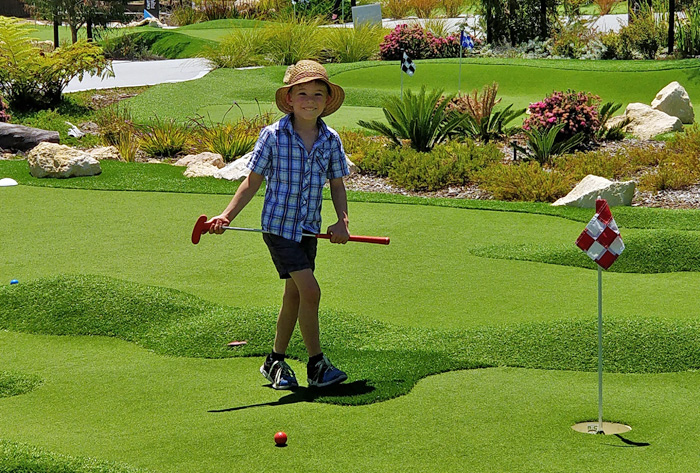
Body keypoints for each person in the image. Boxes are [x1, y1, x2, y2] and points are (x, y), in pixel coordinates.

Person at [207, 60, 350, 390]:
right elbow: (252, 182)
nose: (309, 100)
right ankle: (317, 365)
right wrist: (227, 215)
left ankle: (275, 361)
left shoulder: (331, 140)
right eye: (302, 93)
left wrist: (342, 222)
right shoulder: (273, 136)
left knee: (295, 297)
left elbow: (338, 185)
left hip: (308, 229)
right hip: (277, 228)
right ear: (289, 99)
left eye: (317, 93)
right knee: (310, 290)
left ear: (327, 100)